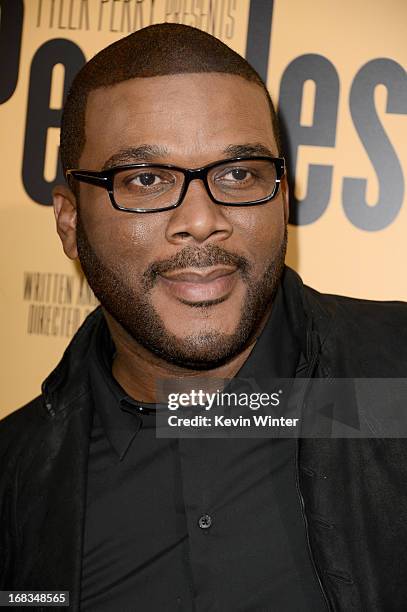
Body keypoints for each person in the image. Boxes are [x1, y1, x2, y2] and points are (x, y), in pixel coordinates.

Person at [1, 23, 407, 612]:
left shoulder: (394, 381)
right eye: (144, 180)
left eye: (238, 174)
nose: (201, 219)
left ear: (283, 195)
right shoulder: (18, 477)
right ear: (70, 223)